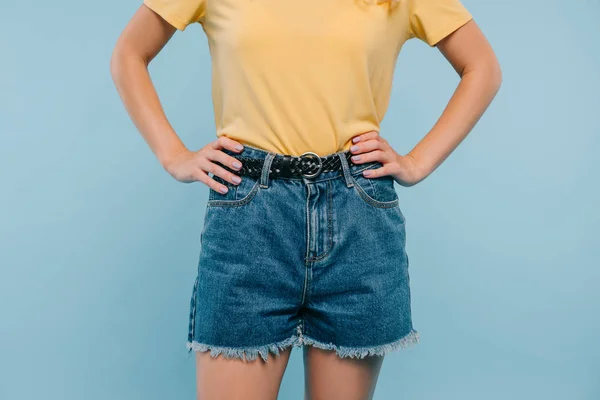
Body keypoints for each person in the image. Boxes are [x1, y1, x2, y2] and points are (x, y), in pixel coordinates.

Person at [110, 0, 501, 398]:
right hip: (249, 220)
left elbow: (482, 67)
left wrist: (417, 162)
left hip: (357, 219)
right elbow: (129, 53)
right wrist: (173, 155)